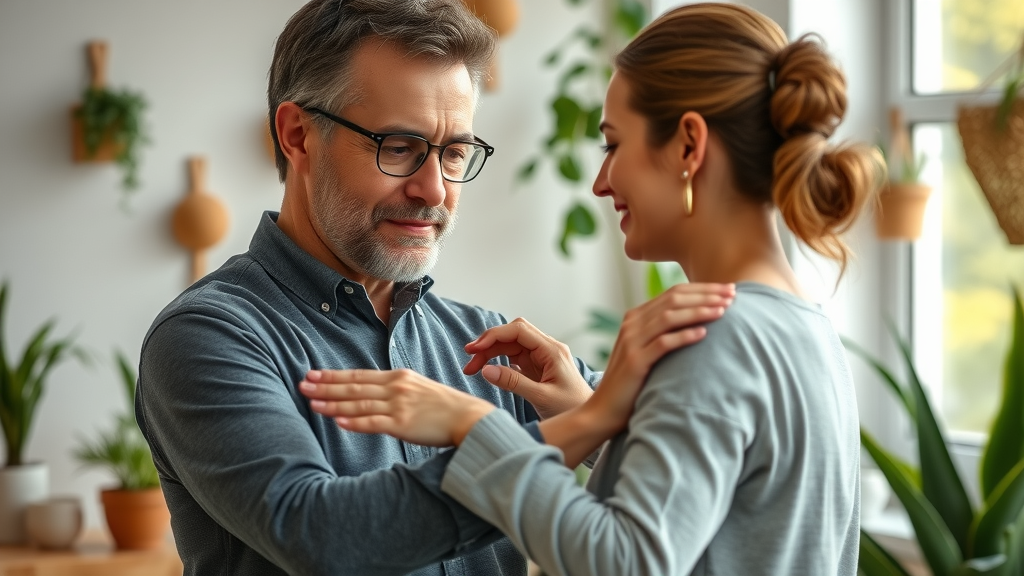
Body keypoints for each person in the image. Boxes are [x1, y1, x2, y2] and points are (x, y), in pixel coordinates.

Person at [135, 1, 734, 575]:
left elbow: (708, 485)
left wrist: (590, 415)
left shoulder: (492, 346)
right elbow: (322, 537)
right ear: (297, 135)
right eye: (399, 148)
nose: (435, 189)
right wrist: (575, 429)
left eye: (454, 154)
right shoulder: (209, 335)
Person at [300, 3, 883, 575]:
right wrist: (591, 413)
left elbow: (623, 561)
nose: (601, 183)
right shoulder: (809, 330)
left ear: (688, 146)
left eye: (613, 145)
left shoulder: (711, 337)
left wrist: (473, 428)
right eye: (401, 147)